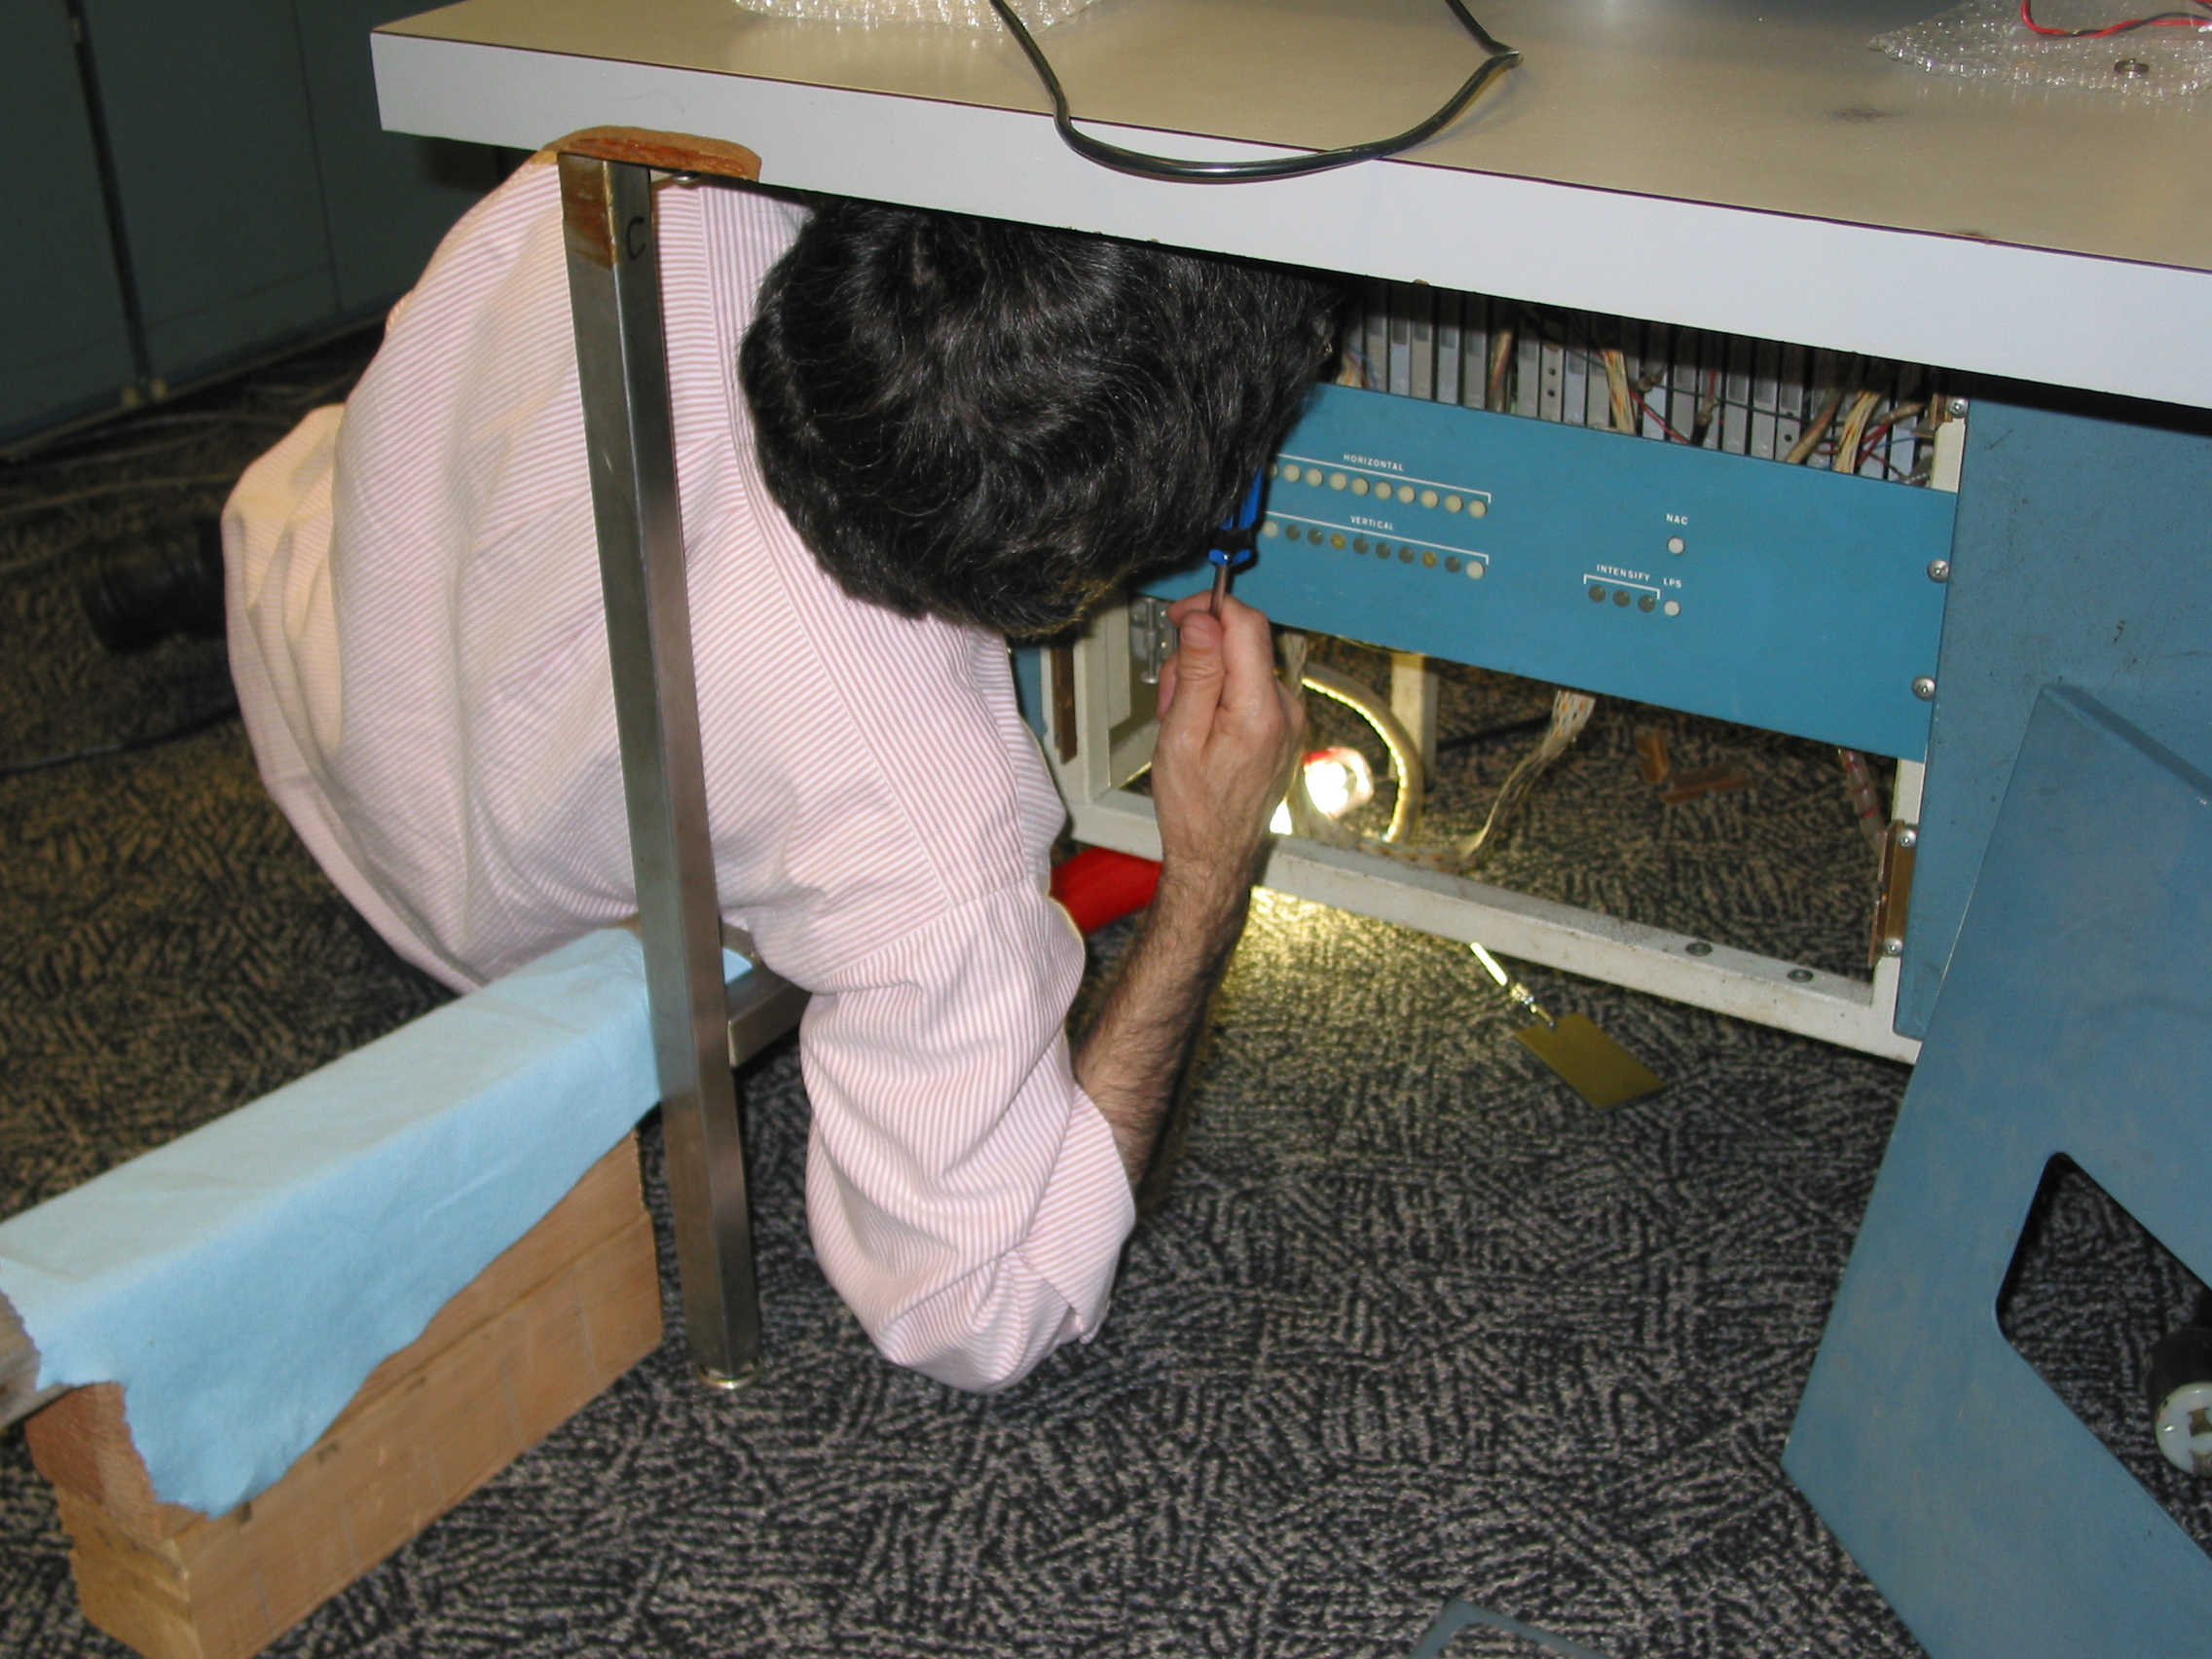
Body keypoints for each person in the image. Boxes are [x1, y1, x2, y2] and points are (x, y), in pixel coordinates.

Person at [225, 155, 1341, 1392]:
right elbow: (984, 1312)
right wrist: (1208, 877)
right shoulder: (922, 820)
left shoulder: (657, 186)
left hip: (312, 630)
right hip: (486, 926)